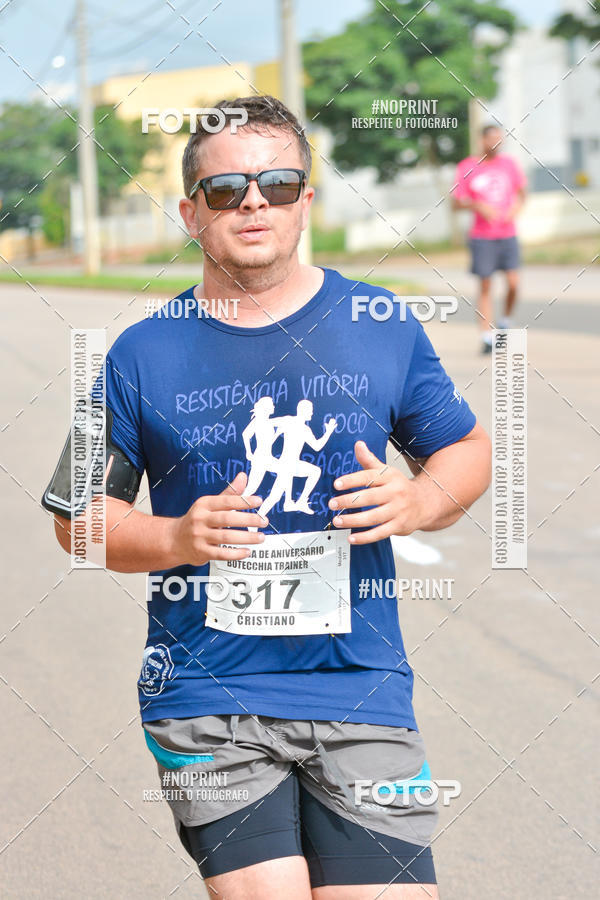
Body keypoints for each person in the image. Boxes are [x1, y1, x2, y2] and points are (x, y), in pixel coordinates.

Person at [50, 95, 491, 899]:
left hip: (362, 688)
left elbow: (465, 449)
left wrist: (421, 503)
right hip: (206, 700)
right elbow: (77, 521)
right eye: (226, 189)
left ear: (306, 201)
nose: (254, 201)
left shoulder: (381, 319)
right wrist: (179, 537)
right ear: (192, 213)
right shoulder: (135, 354)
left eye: (278, 184)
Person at [452, 124, 527, 353]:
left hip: (507, 234)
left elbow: (522, 194)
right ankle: (486, 336)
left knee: (513, 283)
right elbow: (456, 203)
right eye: (492, 138)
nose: (496, 142)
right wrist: (477, 206)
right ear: (482, 140)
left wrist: (515, 208)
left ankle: (505, 320)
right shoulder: (467, 167)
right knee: (485, 284)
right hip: (482, 236)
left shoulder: (509, 165)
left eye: (500, 139)